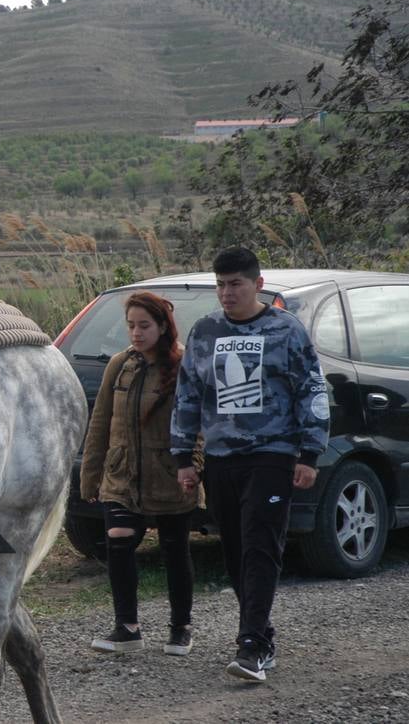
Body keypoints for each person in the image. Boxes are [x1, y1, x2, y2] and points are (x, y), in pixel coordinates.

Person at [171, 246, 330, 683]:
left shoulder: (285, 330)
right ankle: (261, 632)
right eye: (220, 285)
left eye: (236, 284)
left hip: (273, 454)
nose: (226, 293)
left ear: (257, 285)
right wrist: (184, 456)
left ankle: (251, 646)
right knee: (236, 551)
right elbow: (187, 396)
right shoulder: (205, 332)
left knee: (262, 544)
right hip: (221, 458)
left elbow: (310, 389)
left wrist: (310, 452)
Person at [80, 291, 197, 656]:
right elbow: (100, 421)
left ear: (163, 326)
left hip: (168, 473)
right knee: (118, 538)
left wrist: (192, 467)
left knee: (175, 549)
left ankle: (181, 627)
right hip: (121, 473)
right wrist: (90, 474)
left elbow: (197, 424)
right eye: (130, 325)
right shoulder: (120, 364)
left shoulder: (183, 366)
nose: (136, 333)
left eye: (144, 325)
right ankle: (127, 627)